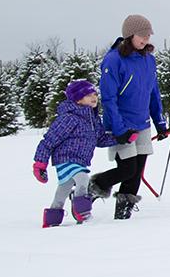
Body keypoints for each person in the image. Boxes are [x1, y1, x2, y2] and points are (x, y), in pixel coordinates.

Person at [91, 15, 170, 220]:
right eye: (142, 35)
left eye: (148, 35)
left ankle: (124, 214)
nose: (146, 39)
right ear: (130, 34)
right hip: (122, 124)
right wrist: (119, 130)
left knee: (137, 171)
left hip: (142, 123)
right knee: (127, 169)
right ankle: (93, 187)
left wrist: (160, 124)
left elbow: (153, 93)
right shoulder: (114, 60)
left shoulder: (148, 60)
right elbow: (109, 98)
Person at [31, 79, 115, 227]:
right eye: (88, 94)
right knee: (83, 179)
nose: (94, 97)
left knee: (63, 189)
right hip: (65, 158)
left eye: (95, 93)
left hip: (80, 160)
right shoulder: (69, 117)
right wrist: (40, 163)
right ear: (78, 98)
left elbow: (100, 139)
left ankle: (52, 219)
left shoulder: (93, 119)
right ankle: (82, 212)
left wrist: (121, 139)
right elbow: (49, 139)